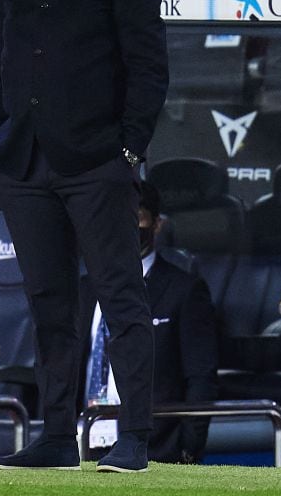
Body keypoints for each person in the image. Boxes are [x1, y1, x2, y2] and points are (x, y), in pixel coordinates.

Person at [0, 0, 169, 472]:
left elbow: (149, 70)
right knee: (48, 304)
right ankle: (58, 437)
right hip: (25, 168)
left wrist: (128, 150)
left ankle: (135, 437)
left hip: (97, 165)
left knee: (120, 298)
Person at [81, 181, 219, 464]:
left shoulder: (185, 290)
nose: (126, 225)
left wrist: (188, 449)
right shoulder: (84, 288)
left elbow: (200, 377)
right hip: (82, 440)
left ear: (156, 224)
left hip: (154, 447)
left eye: (137, 216)